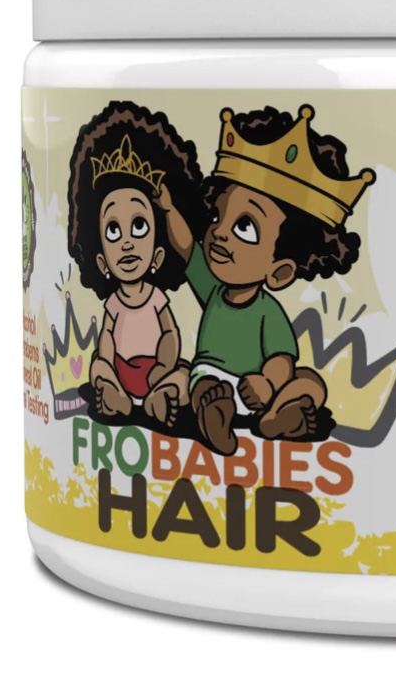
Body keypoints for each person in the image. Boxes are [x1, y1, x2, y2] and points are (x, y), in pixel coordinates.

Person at [158, 104, 373, 455]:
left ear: (280, 272)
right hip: (215, 381)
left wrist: (267, 384)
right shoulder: (213, 289)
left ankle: (277, 416)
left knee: (310, 381)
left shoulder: (266, 310)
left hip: (258, 389)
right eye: (217, 217)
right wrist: (168, 209)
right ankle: (217, 412)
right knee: (201, 383)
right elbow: (185, 247)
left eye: (244, 227)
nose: (219, 233)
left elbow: (281, 360)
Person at [67, 102, 205, 426]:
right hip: (120, 369)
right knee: (97, 366)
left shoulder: (156, 298)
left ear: (158, 256)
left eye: (139, 226)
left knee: (185, 374)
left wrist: (165, 366)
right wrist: (107, 365)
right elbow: (107, 337)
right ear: (102, 261)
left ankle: (163, 395)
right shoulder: (114, 303)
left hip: (157, 370)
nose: (127, 242)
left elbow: (169, 333)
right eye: (113, 231)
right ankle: (114, 393)